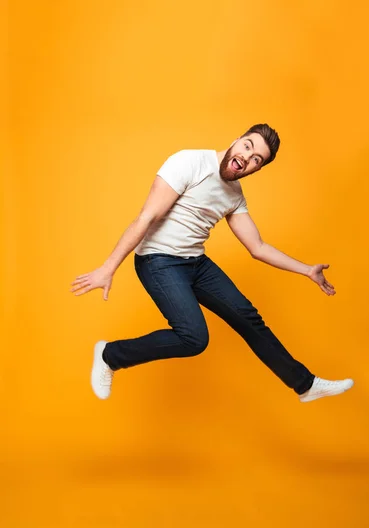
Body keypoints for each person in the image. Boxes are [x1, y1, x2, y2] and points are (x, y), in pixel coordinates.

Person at [71, 123, 354, 403]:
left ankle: (305, 385)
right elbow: (146, 217)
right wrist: (108, 268)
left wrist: (307, 270)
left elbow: (257, 247)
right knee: (194, 338)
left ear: (257, 169)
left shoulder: (234, 195)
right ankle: (110, 355)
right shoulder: (189, 162)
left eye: (257, 159)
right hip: (158, 261)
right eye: (248, 146)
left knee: (248, 318)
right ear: (236, 140)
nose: (248, 157)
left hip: (195, 263)